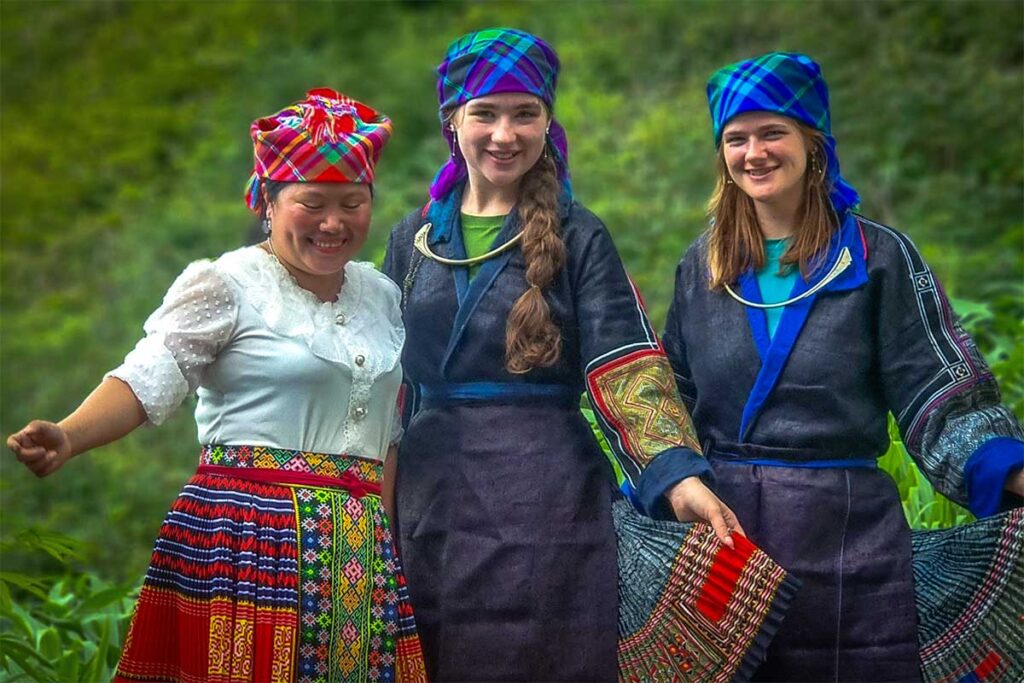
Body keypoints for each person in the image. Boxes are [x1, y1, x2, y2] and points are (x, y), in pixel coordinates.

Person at [7, 89, 427, 683]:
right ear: (270, 203)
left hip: (357, 553)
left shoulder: (381, 296)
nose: (334, 222)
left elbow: (385, 434)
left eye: (352, 203)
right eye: (312, 203)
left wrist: (384, 546)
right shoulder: (228, 282)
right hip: (245, 542)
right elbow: (152, 374)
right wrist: (69, 436)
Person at [383, 28, 745, 682]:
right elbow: (387, 385)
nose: (505, 132)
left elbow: (626, 364)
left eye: (525, 113)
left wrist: (676, 473)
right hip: (431, 501)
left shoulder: (580, 233)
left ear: (548, 121)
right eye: (485, 113)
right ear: (452, 122)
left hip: (549, 499)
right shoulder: (413, 238)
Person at [662, 51, 1024, 682]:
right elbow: (673, 402)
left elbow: (938, 389)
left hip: (847, 539)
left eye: (773, 132)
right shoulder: (702, 268)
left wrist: (1007, 468)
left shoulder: (876, 257)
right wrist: (664, 477)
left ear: (813, 141)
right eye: (735, 138)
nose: (755, 153)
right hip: (727, 551)